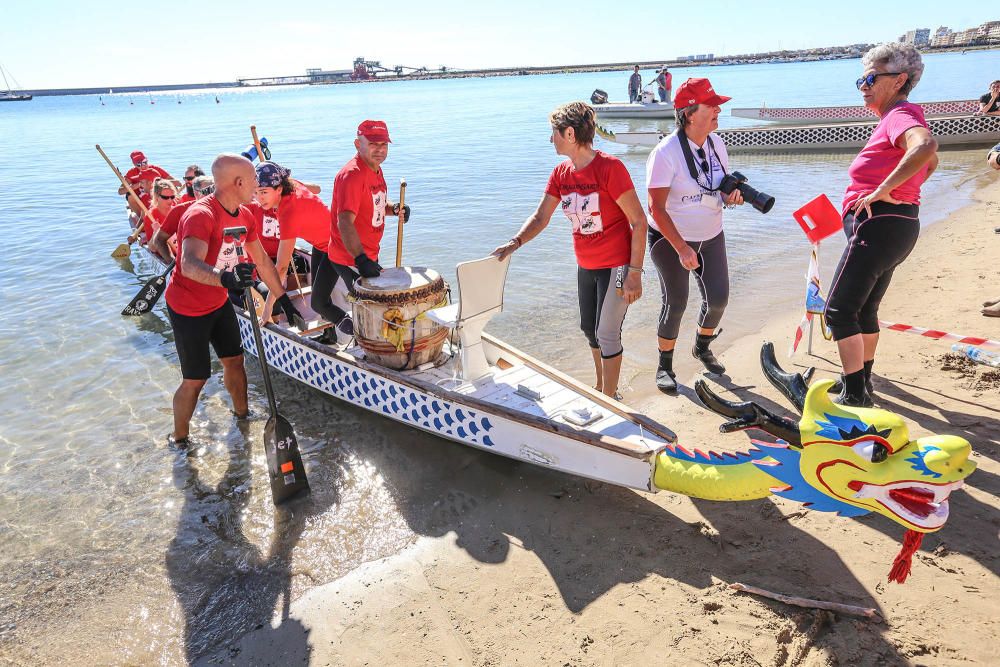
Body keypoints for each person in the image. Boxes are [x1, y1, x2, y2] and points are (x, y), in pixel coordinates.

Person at [492, 102, 646, 399]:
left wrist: (635, 274)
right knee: (589, 328)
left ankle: (610, 399)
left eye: (555, 133)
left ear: (570, 134)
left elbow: (639, 222)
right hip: (586, 264)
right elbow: (541, 217)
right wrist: (516, 242)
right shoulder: (561, 174)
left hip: (617, 265)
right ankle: (601, 387)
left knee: (607, 333)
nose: (551, 139)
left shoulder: (610, 169)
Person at [824, 43, 938, 407]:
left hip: (880, 226)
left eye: (872, 77)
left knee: (838, 311)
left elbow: (926, 147)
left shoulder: (899, 115)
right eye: (861, 78)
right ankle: (863, 382)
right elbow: (930, 163)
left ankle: (855, 393)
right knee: (864, 310)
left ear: (900, 80)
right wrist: (905, 189)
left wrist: (885, 190)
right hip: (898, 225)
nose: (863, 85)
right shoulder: (900, 116)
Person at [163, 154, 304, 446]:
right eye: (253, 180)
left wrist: (284, 300)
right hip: (187, 308)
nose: (256, 186)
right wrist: (228, 279)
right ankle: (178, 439)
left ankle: (243, 417)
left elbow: (263, 262)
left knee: (235, 361)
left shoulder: (245, 214)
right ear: (239, 182)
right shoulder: (201, 215)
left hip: (217, 302)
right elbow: (189, 264)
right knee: (196, 378)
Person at [645, 78, 744, 393]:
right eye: (711, 105)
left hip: (711, 235)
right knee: (676, 302)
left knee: (718, 299)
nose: (718, 110)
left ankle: (701, 347)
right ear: (689, 113)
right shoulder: (665, 153)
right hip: (670, 240)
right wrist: (682, 249)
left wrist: (730, 197)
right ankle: (664, 366)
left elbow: (717, 188)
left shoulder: (717, 144)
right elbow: (656, 209)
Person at [313, 120, 409, 343]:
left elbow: (374, 205)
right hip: (352, 257)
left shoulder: (375, 169)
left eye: (384, 144)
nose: (380, 149)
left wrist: (394, 209)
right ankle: (366, 344)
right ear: (358, 144)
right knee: (370, 309)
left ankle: (352, 330)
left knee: (319, 302)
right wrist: (360, 259)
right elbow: (344, 221)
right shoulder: (353, 175)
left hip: (355, 252)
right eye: (373, 144)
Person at [253, 161, 334, 324]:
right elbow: (317, 188)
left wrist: (267, 308)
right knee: (320, 296)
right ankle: (329, 333)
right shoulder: (293, 184)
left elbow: (281, 268)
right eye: (255, 193)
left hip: (337, 247)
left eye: (263, 192)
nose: (259, 199)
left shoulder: (288, 214)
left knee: (318, 302)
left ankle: (350, 328)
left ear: (279, 188)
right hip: (322, 243)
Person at [149, 176, 215, 259]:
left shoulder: (229, 208)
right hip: (190, 266)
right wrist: (171, 260)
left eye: (214, 190)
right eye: (208, 191)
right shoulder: (179, 210)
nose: (212, 194)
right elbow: (158, 240)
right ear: (196, 193)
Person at [142, 178, 177, 244]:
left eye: (172, 197)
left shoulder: (177, 211)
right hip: (163, 251)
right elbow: (152, 248)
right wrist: (156, 233)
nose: (170, 200)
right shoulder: (150, 216)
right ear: (157, 197)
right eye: (165, 197)